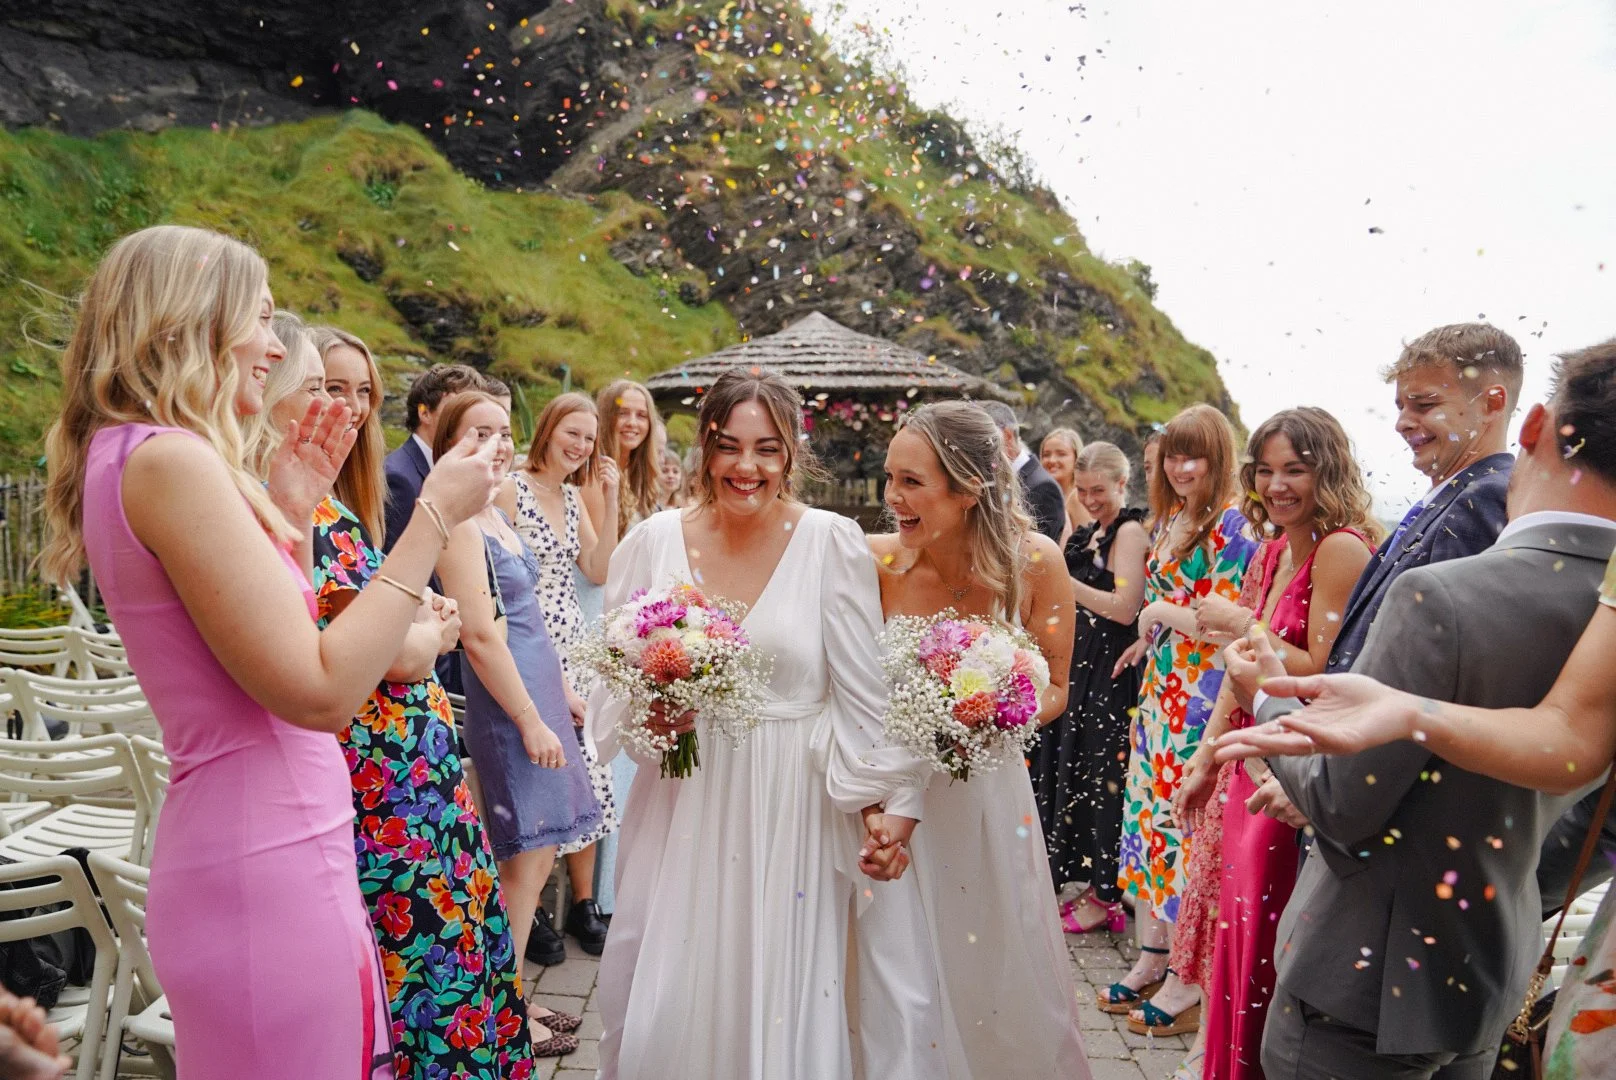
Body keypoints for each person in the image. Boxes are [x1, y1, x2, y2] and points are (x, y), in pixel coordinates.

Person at [42, 224, 501, 1078]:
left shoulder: (138, 456)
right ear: (195, 323)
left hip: (277, 843)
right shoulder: (171, 462)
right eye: (257, 319)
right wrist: (432, 519)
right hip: (266, 863)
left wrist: (289, 513)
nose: (271, 343)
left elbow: (264, 652)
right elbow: (320, 691)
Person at [1214, 337, 1616, 1080]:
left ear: (1528, 427)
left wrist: (1264, 695)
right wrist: (1509, 889)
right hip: (1489, 973)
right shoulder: (1603, 609)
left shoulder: (1449, 594)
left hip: (1362, 980)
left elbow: (1343, 801)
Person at [584, 367, 937, 1080]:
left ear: (791, 454)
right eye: (730, 446)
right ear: (705, 447)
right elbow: (607, 680)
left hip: (794, 807)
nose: (747, 468)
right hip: (687, 800)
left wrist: (892, 806)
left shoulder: (831, 541)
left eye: (767, 449)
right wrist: (655, 707)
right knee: (669, 983)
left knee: (780, 988)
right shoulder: (654, 540)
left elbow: (862, 694)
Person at [305, 325, 554, 1072]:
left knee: (457, 956)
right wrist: (425, 636)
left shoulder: (336, 507)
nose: (345, 408)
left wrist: (415, 628)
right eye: (325, 388)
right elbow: (377, 652)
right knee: (424, 973)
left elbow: (386, 621)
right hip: (384, 793)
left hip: (417, 780)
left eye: (359, 393)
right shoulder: (305, 517)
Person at [865, 400, 1092, 1078]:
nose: (891, 499)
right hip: (889, 799)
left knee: (989, 959)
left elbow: (1055, 686)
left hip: (987, 794)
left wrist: (994, 713)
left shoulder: (1036, 562)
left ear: (967, 489)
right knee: (894, 964)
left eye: (911, 482)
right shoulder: (876, 562)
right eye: (889, 477)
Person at [1171, 408, 1378, 1080]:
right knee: (1231, 942)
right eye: (1266, 469)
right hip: (1243, 762)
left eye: (1296, 468)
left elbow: (1325, 671)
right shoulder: (1268, 551)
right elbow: (1240, 671)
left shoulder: (1340, 548)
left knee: (1262, 945)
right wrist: (1204, 756)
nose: (1278, 483)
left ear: (1328, 470)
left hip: (1286, 771)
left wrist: (1243, 620)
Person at [432, 392, 601, 1045]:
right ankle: (503, 1014)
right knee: (522, 862)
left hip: (538, 689)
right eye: (481, 432)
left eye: (505, 432)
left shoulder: (495, 512)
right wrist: (531, 719)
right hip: (510, 706)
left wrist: (561, 691)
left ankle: (513, 1000)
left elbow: (526, 615)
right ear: (452, 442)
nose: (499, 444)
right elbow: (480, 635)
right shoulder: (460, 524)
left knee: (537, 860)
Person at [1102, 403, 1258, 1039]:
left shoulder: (1232, 527)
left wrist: (1161, 612)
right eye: (1172, 454)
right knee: (1149, 820)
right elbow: (1166, 615)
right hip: (1162, 692)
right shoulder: (1171, 520)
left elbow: (1224, 620)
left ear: (1218, 458)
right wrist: (1151, 636)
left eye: (1194, 454)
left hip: (1203, 699)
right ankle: (1155, 951)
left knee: (1184, 827)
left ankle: (1188, 976)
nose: (1180, 466)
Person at [1325, 323, 1521, 675]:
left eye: (1425, 404)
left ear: (1492, 403)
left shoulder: (1482, 499)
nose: (1401, 423)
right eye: (1401, 406)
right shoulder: (1456, 494)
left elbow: (1439, 665)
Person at [505, 391, 622, 963]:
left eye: (588, 438)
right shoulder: (511, 487)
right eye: (570, 433)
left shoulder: (575, 498)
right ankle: (534, 913)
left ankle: (580, 906)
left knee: (591, 771)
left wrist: (612, 496)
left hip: (575, 644)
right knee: (545, 775)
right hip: (530, 643)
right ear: (548, 428)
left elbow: (599, 570)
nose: (579, 446)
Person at [1030, 441, 1148, 935]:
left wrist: (1064, 583)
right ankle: (1083, 884)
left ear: (1122, 485)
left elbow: (1125, 607)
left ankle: (1106, 894)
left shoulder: (1130, 532)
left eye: (1099, 490)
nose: (1091, 498)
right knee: (1076, 777)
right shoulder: (1086, 533)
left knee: (1103, 782)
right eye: (1083, 490)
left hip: (1109, 675)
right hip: (1080, 671)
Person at [584, 378, 667, 922]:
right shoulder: (594, 476)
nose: (632, 422)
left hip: (644, 621)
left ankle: (628, 887)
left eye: (641, 414)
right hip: (601, 612)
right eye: (622, 413)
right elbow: (601, 564)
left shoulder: (650, 483)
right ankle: (600, 892)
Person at [384, 362, 485, 694]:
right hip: (423, 658)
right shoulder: (400, 475)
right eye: (457, 408)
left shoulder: (464, 471)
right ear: (424, 412)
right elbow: (405, 573)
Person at [979, 400, 1066, 543]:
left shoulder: (1043, 488)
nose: (981, 448)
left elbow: (1039, 550)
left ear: (1007, 436)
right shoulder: (994, 478)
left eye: (985, 440)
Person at [1038, 426, 1095, 542]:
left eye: (1061, 454)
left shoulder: (1078, 498)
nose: (1052, 460)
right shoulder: (1047, 498)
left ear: (1077, 458)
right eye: (1046, 455)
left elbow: (1087, 546)